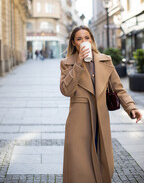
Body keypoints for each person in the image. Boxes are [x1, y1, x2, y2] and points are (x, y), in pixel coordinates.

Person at [59, 25, 142, 183]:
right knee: (79, 168)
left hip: (101, 119)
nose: (84, 41)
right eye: (79, 39)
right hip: (78, 123)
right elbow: (66, 90)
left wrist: (131, 107)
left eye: (87, 38)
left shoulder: (105, 60)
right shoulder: (67, 63)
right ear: (74, 43)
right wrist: (78, 64)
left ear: (92, 40)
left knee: (103, 163)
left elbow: (119, 89)